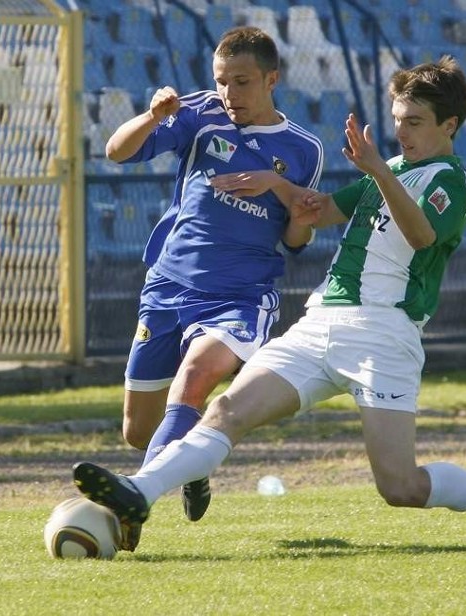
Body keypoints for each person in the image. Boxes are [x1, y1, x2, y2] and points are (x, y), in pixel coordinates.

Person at [73, 56, 466, 551]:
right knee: (226, 411)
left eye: (414, 122)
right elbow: (321, 212)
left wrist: (376, 170)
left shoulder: (450, 182)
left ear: (450, 125)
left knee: (400, 486)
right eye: (397, 121)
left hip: (384, 334)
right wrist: (279, 186)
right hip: (320, 322)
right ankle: (140, 491)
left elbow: (420, 234)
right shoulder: (387, 170)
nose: (402, 132)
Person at [104, 25, 324, 542]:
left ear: (272, 79)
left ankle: (132, 504)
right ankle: (192, 465)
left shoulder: (303, 150)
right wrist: (153, 117)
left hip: (241, 296)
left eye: (242, 82)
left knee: (198, 376)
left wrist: (282, 191)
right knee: (138, 431)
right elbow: (117, 151)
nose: (230, 94)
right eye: (222, 81)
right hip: (168, 287)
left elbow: (296, 238)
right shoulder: (200, 113)